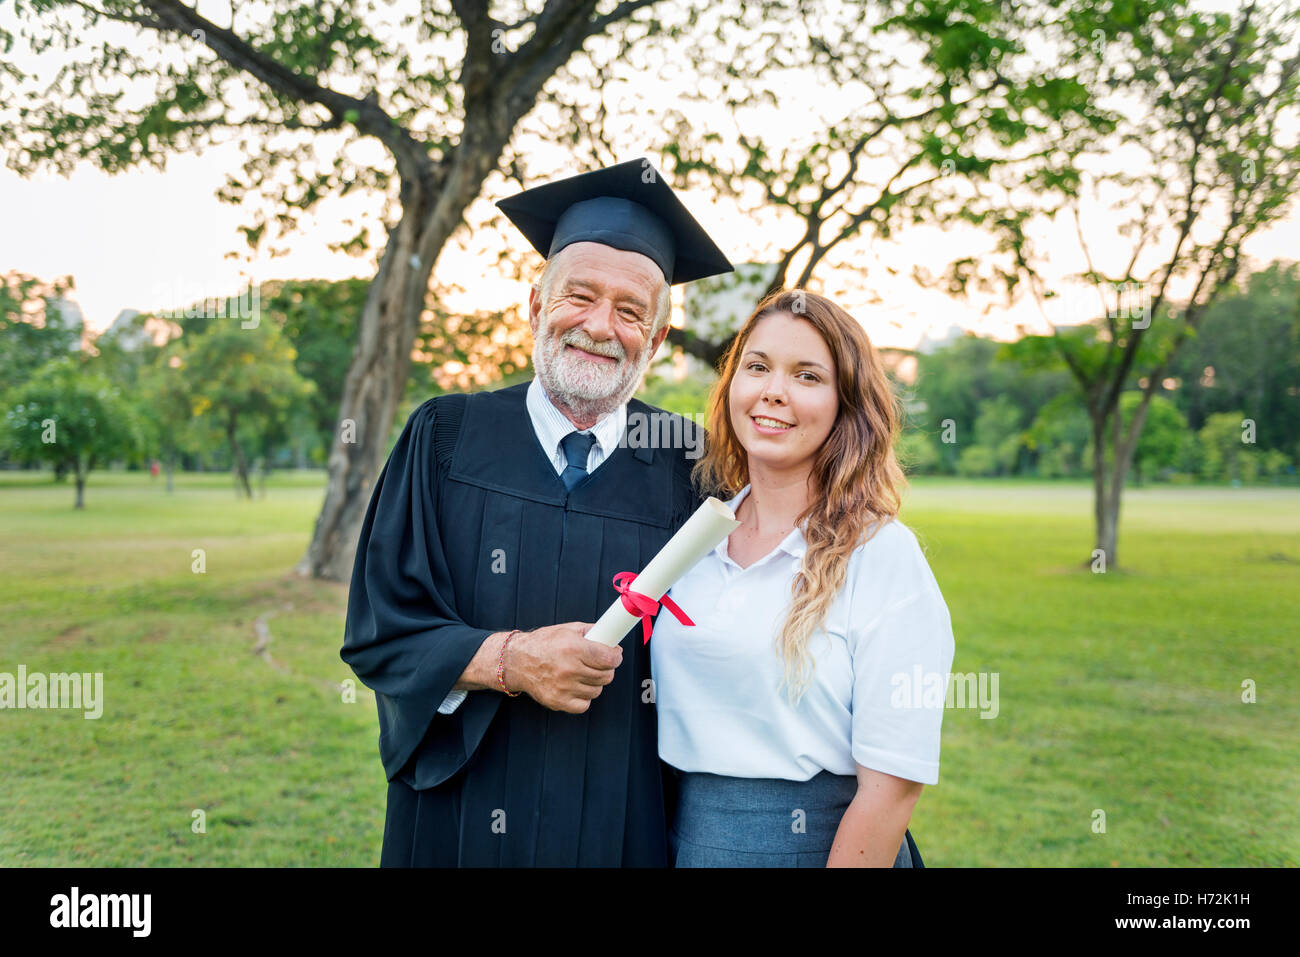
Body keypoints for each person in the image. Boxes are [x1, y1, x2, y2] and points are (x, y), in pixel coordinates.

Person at [340, 158, 733, 866]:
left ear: (659, 340)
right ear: (532, 306)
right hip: (461, 814)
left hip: (624, 818)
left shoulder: (691, 465)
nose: (599, 326)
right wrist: (512, 661)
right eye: (577, 296)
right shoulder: (445, 437)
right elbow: (380, 632)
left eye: (630, 310)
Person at [650, 289, 956, 867]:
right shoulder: (690, 541)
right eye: (757, 367)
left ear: (847, 405)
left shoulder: (881, 555)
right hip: (682, 839)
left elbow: (892, 788)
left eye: (807, 376)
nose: (773, 391)